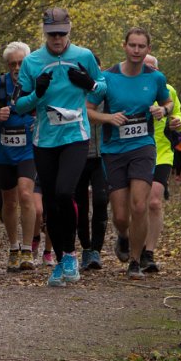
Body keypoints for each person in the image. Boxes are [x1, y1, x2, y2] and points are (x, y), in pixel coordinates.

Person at [14, 8, 105, 287]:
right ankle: (60, 258)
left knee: (65, 192)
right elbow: (19, 105)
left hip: (76, 136)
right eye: (52, 34)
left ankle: (71, 254)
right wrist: (37, 93)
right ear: (44, 32)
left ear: (69, 31)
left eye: (62, 34)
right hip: (45, 139)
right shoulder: (32, 61)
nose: (57, 39)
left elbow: (103, 89)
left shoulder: (83, 56)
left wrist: (90, 83)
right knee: (51, 202)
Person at [86, 28, 172, 280]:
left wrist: (163, 111)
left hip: (143, 147)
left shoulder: (155, 78)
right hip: (114, 150)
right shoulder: (106, 78)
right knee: (121, 216)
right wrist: (108, 118)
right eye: (132, 45)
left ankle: (135, 261)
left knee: (140, 205)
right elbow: (87, 110)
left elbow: (167, 102)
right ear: (124, 46)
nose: (136, 50)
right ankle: (123, 236)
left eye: (141, 46)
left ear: (148, 49)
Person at [0, 41, 37, 272]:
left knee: (25, 194)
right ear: (7, 65)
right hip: (4, 151)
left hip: (28, 150)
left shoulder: (36, 84)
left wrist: (39, 119)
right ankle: (14, 248)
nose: (17, 68)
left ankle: (28, 250)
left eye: (21, 63)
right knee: (9, 201)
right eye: (12, 64)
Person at [142, 54, 181, 273]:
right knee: (136, 204)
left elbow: (177, 115)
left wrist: (178, 122)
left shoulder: (168, 91)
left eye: (152, 68)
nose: (148, 72)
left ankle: (148, 253)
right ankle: (131, 242)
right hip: (136, 153)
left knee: (154, 202)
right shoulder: (129, 90)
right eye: (144, 67)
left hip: (162, 153)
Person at [74, 57, 110, 272]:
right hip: (79, 154)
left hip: (102, 155)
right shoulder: (73, 90)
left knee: (101, 200)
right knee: (81, 204)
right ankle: (86, 248)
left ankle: (96, 250)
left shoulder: (107, 90)